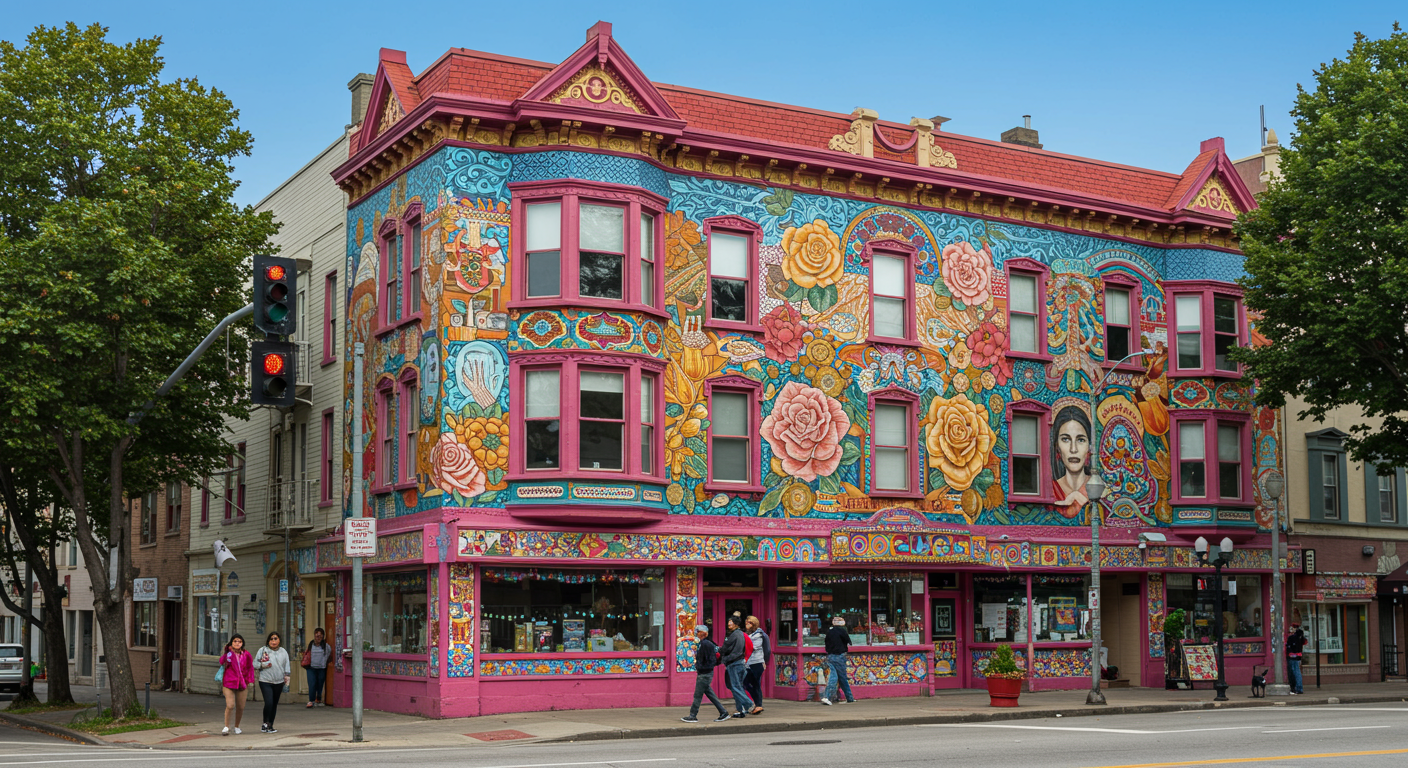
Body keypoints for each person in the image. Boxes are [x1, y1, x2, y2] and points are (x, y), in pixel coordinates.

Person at [680, 624, 730, 723]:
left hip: (704, 674)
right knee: (710, 694)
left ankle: (693, 715)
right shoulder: (706, 643)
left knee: (697, 695)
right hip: (706, 672)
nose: (696, 633)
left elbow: (710, 660)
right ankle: (723, 712)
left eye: (698, 632)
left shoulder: (706, 644)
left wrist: (701, 667)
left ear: (703, 633)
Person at [1051, 406, 1092, 519]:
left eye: (1081, 440)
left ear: (1089, 446)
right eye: (1065, 439)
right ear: (1057, 446)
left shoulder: (1101, 489)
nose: (1073, 449)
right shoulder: (1050, 490)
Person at [253, 631, 291, 733]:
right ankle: (265, 723)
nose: (273, 641)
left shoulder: (283, 652)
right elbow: (255, 664)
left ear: (279, 640)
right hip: (265, 680)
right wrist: (263, 665)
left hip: (279, 681)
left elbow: (287, 666)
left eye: (275, 639)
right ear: (268, 640)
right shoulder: (263, 650)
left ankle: (270, 725)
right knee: (269, 702)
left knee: (274, 704)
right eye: (271, 639)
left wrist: (287, 679)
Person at [219, 634, 255, 736]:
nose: (237, 643)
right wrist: (226, 652)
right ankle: (226, 726)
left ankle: (237, 726)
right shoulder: (229, 654)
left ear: (242, 643)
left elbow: (250, 667)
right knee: (230, 705)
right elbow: (221, 662)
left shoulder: (246, 654)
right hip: (229, 682)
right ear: (231, 643)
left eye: (239, 641)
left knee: (241, 706)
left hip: (242, 683)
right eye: (235, 641)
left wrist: (250, 680)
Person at [720, 616, 754, 718]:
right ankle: (740, 710)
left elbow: (725, 648)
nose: (728, 623)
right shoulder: (741, 634)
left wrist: (718, 651)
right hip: (740, 663)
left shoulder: (734, 635)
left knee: (734, 686)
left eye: (730, 622)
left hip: (734, 663)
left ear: (735, 623)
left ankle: (748, 704)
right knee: (738, 686)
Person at [822, 615, 854, 705]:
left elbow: (826, 643)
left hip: (830, 656)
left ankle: (849, 697)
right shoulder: (842, 631)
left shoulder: (829, 632)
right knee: (838, 677)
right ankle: (827, 697)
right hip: (840, 656)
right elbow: (849, 642)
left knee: (837, 676)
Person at [744, 615, 771, 715]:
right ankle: (756, 704)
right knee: (748, 683)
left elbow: (754, 647)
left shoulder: (759, 635)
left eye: (749, 623)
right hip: (748, 663)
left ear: (754, 624)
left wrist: (765, 662)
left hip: (757, 662)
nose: (747, 624)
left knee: (754, 684)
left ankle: (758, 705)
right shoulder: (748, 634)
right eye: (746, 622)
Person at [304, 628, 332, 708]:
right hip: (311, 668)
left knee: (320, 684)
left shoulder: (326, 646)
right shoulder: (311, 645)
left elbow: (328, 654)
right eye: (317, 636)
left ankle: (318, 699)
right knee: (312, 684)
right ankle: (311, 700)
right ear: (314, 636)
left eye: (320, 636)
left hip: (321, 668)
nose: (318, 638)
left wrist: (323, 662)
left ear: (323, 637)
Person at [1286, 624, 1306, 695]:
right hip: (1298, 656)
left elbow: (1288, 647)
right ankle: (1298, 688)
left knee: (1295, 673)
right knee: (1297, 672)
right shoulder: (1301, 637)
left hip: (1292, 656)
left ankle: (1297, 688)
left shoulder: (1292, 637)